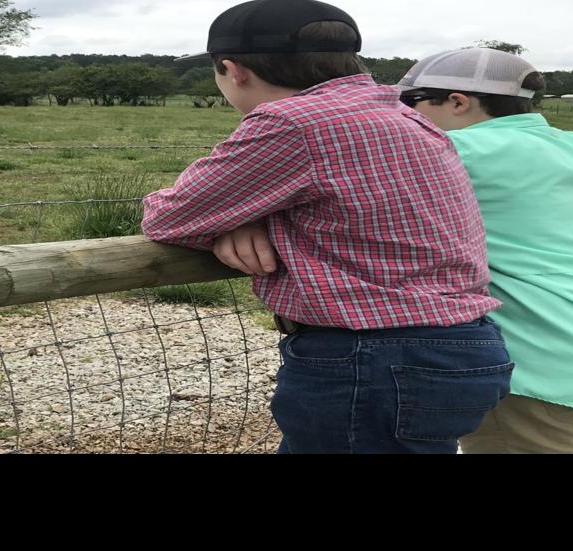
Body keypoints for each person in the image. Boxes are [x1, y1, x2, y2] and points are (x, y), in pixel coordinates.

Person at [141, 0, 512, 454]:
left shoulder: (293, 122)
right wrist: (245, 217)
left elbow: (170, 215)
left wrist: (228, 220)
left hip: (372, 359)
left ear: (233, 70)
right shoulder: (403, 113)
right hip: (463, 344)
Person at [396, 47, 573, 453]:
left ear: (458, 101)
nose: (404, 115)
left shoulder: (452, 154)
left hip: (544, 365)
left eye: (410, 102)